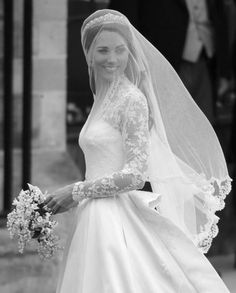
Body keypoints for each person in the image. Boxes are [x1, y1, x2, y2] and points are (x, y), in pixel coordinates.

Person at [44, 9, 232, 292]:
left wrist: (75, 191)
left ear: (129, 52)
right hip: (93, 216)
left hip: (116, 217)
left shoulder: (131, 100)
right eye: (103, 50)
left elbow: (135, 175)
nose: (112, 59)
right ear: (89, 54)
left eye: (120, 50)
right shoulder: (102, 96)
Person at [109, 0, 231, 124]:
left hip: (205, 62)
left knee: (203, 129)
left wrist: (224, 71)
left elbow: (218, 14)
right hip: (159, 63)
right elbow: (122, 16)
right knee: (165, 129)